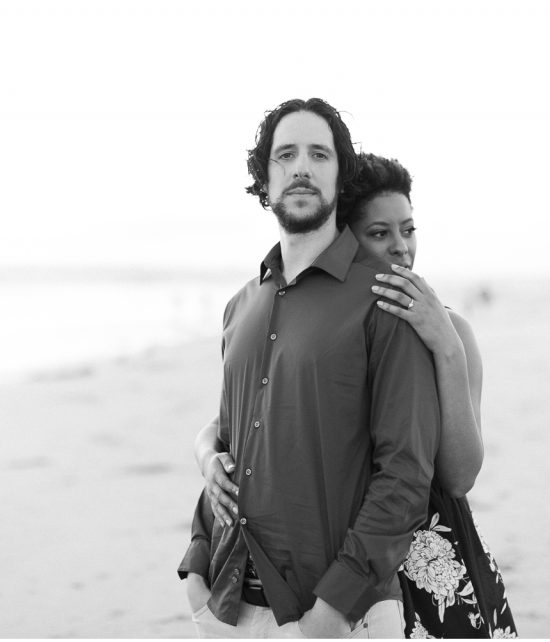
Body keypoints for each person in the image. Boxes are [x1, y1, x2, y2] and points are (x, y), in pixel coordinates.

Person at [180, 152, 518, 638]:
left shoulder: (451, 331)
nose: (401, 247)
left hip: (428, 553)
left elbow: (460, 475)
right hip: (340, 551)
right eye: (380, 233)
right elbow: (267, 417)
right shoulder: (333, 325)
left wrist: (446, 345)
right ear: (346, 241)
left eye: (408, 229)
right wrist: (206, 449)